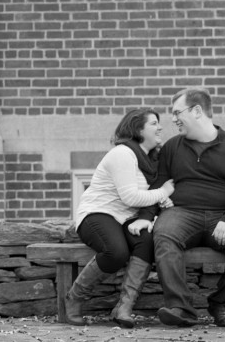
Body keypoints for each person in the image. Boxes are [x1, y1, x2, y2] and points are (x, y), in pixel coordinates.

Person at [150, 88, 225, 328]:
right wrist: (157, 207)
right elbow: (159, 184)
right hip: (181, 213)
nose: (173, 119)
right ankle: (180, 308)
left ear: (197, 110)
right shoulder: (171, 147)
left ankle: (221, 303)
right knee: (164, 233)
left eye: (177, 112)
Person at [65, 108, 175, 327]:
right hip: (98, 213)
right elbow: (131, 196)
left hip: (125, 219)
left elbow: (146, 196)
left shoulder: (151, 160)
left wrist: (162, 200)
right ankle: (75, 296)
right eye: (154, 123)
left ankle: (124, 307)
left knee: (146, 242)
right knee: (116, 253)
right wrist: (163, 192)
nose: (160, 127)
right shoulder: (122, 153)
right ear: (138, 129)